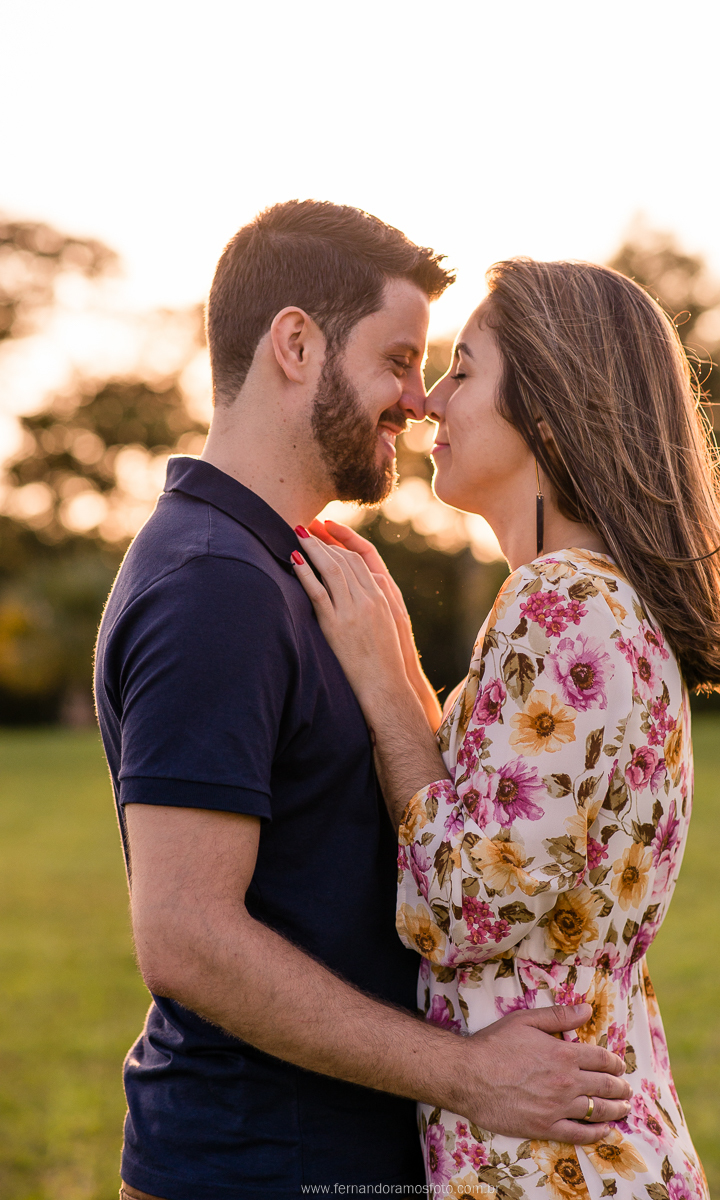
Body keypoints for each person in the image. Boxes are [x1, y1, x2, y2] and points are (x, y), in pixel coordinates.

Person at [94, 208, 632, 1200]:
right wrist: (470, 1075)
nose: (419, 402)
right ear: (296, 345)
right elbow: (186, 938)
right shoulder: (215, 587)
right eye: (397, 361)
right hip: (259, 1169)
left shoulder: (294, 569)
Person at [293, 257, 720, 1198]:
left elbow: (464, 906)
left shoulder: (559, 600)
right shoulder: (601, 602)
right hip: (587, 1140)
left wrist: (385, 688)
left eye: (462, 370)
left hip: (547, 1160)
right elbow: (518, 853)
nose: (428, 402)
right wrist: (397, 658)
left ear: (551, 413)